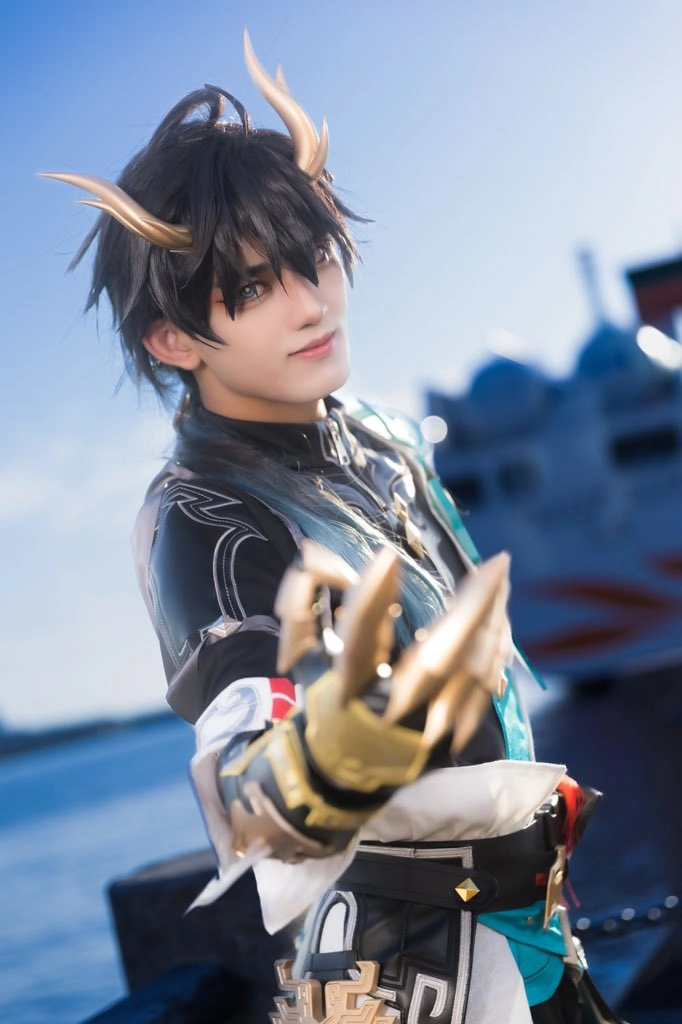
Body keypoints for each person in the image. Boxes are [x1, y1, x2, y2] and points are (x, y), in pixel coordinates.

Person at [45, 29, 621, 1024]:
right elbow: (247, 763)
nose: (311, 303)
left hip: (532, 932)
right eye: (251, 288)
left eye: (312, 257)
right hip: (407, 977)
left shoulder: (386, 439)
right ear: (172, 337)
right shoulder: (201, 520)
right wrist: (319, 758)